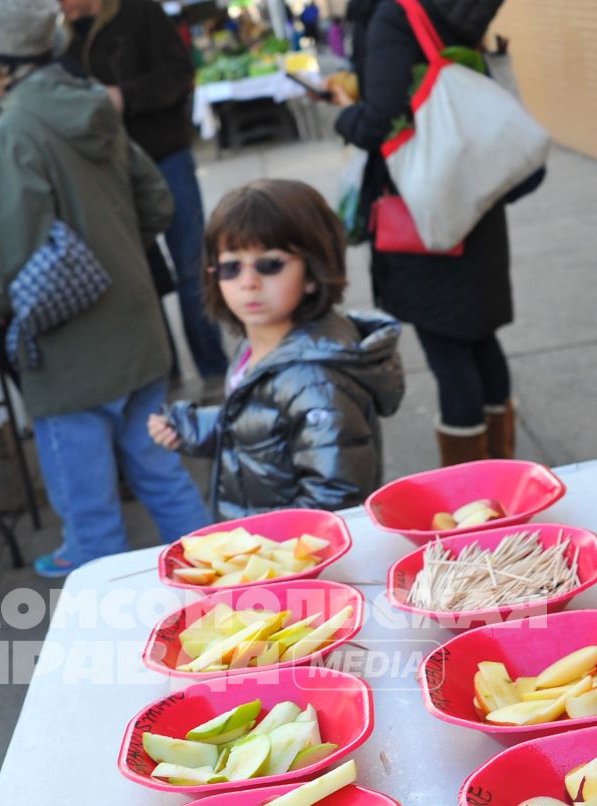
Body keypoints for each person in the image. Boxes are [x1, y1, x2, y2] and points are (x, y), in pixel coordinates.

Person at [0, 0, 209, 579]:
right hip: (137, 328)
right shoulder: (92, 99)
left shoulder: (13, 129)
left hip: (70, 353)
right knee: (160, 469)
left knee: (88, 512)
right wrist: (112, 246)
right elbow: (157, 202)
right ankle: (219, 581)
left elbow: (7, 249)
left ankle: (109, 623)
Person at [333, 0, 518, 464]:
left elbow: (380, 119)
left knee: (450, 356)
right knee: (478, 337)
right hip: (475, 195)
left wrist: (343, 112)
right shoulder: (452, 11)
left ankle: (473, 491)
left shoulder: (397, 16)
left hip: (424, 211)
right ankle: (502, 466)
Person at [147, 180, 402, 517]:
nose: (248, 282)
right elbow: (261, 426)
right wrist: (193, 427)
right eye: (230, 267)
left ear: (312, 272)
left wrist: (267, 553)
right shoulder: (259, 346)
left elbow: (334, 499)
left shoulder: (315, 381)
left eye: (269, 265)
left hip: (293, 561)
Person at [58, 0, 231, 392]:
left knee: (192, 268)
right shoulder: (57, 39)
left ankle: (213, 371)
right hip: (107, 171)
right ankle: (163, 376)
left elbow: (179, 74)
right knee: (137, 278)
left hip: (166, 156)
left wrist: (124, 96)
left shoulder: (140, 12)